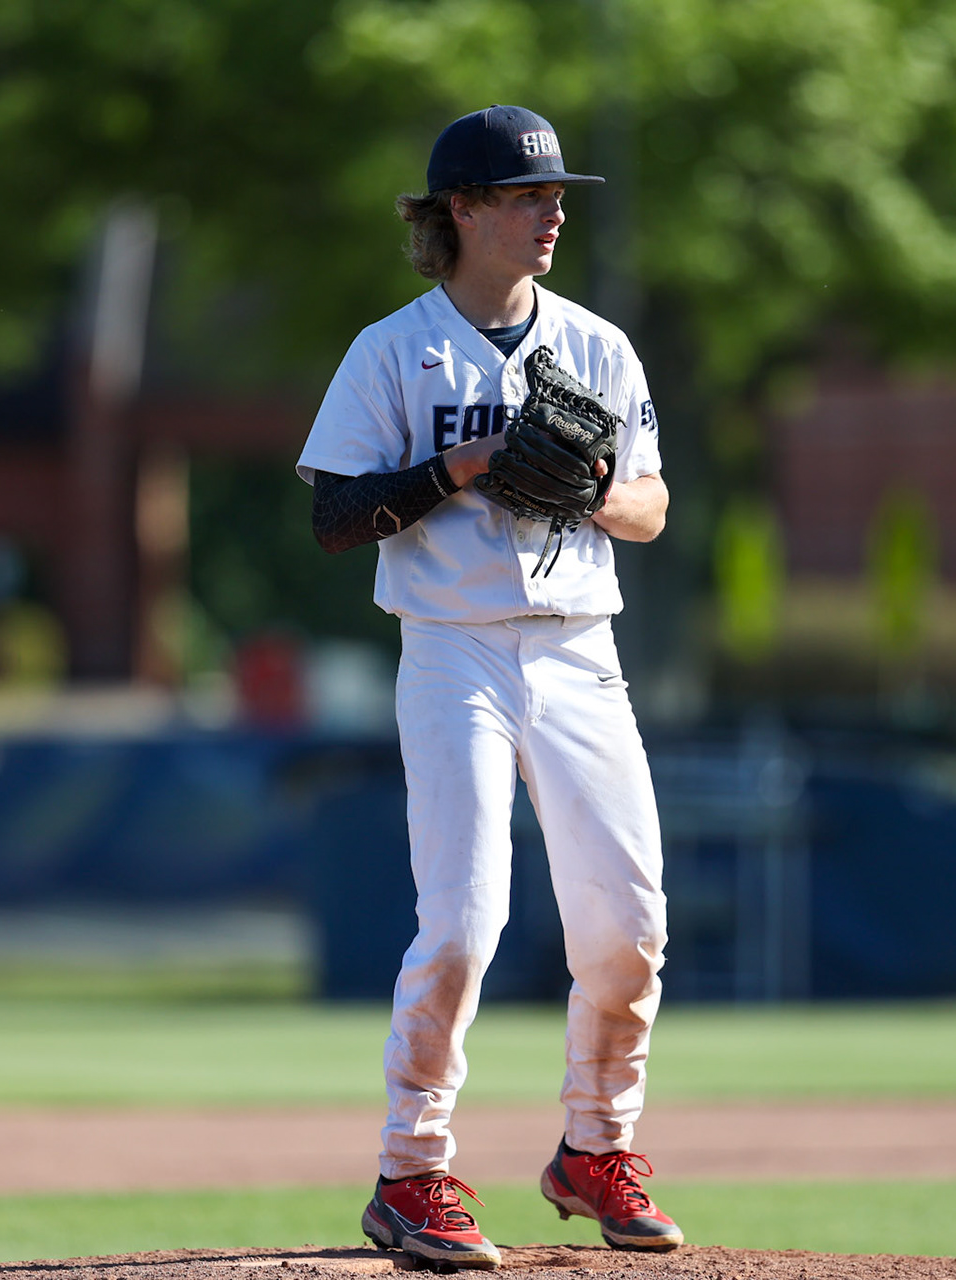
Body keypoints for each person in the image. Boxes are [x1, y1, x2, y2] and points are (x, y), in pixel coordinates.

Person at [296, 105, 681, 1270]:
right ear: (460, 209)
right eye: (527, 196)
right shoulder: (391, 349)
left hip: (579, 647)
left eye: (558, 195)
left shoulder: (599, 345)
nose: (553, 212)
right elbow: (333, 516)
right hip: (452, 648)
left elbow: (651, 507)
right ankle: (411, 1169)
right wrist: (455, 467)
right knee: (464, 920)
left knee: (629, 926)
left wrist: (593, 490)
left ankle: (597, 1144)